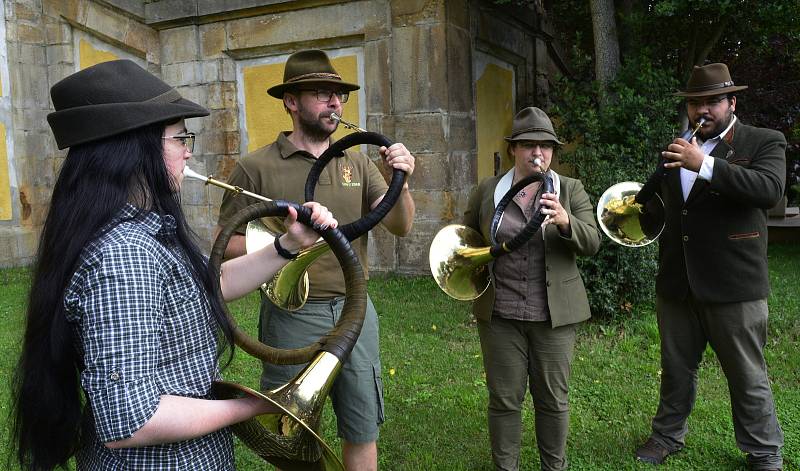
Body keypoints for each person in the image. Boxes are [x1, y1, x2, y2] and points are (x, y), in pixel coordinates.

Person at [10, 59, 336, 471]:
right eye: (180, 138)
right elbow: (130, 421)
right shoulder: (125, 256)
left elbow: (210, 282)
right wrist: (249, 408)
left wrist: (288, 245)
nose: (188, 151)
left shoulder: (148, 229)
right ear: (133, 148)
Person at [215, 49, 415, 471]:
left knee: (362, 427)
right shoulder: (255, 167)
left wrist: (403, 181)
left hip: (354, 310)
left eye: (339, 96)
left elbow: (400, 225)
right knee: (290, 434)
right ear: (291, 102)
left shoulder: (358, 159)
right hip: (290, 313)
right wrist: (283, 242)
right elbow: (224, 243)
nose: (335, 104)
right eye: (322, 94)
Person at [634, 63, 785, 471]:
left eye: (713, 101)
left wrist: (704, 163)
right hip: (678, 281)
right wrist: (637, 214)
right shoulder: (676, 146)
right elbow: (671, 211)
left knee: (747, 374)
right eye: (695, 102)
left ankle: (764, 452)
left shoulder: (764, 141)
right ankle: (667, 436)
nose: (703, 109)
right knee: (676, 369)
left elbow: (769, 191)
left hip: (733, 283)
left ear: (731, 102)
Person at [463, 107, 600, 471]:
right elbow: (467, 241)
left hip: (553, 315)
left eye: (545, 146)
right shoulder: (488, 191)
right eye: (527, 145)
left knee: (553, 400)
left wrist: (566, 221)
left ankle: (553, 467)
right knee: (504, 400)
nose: (537, 153)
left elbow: (592, 242)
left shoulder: (570, 190)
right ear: (513, 149)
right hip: (500, 314)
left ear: (553, 151)